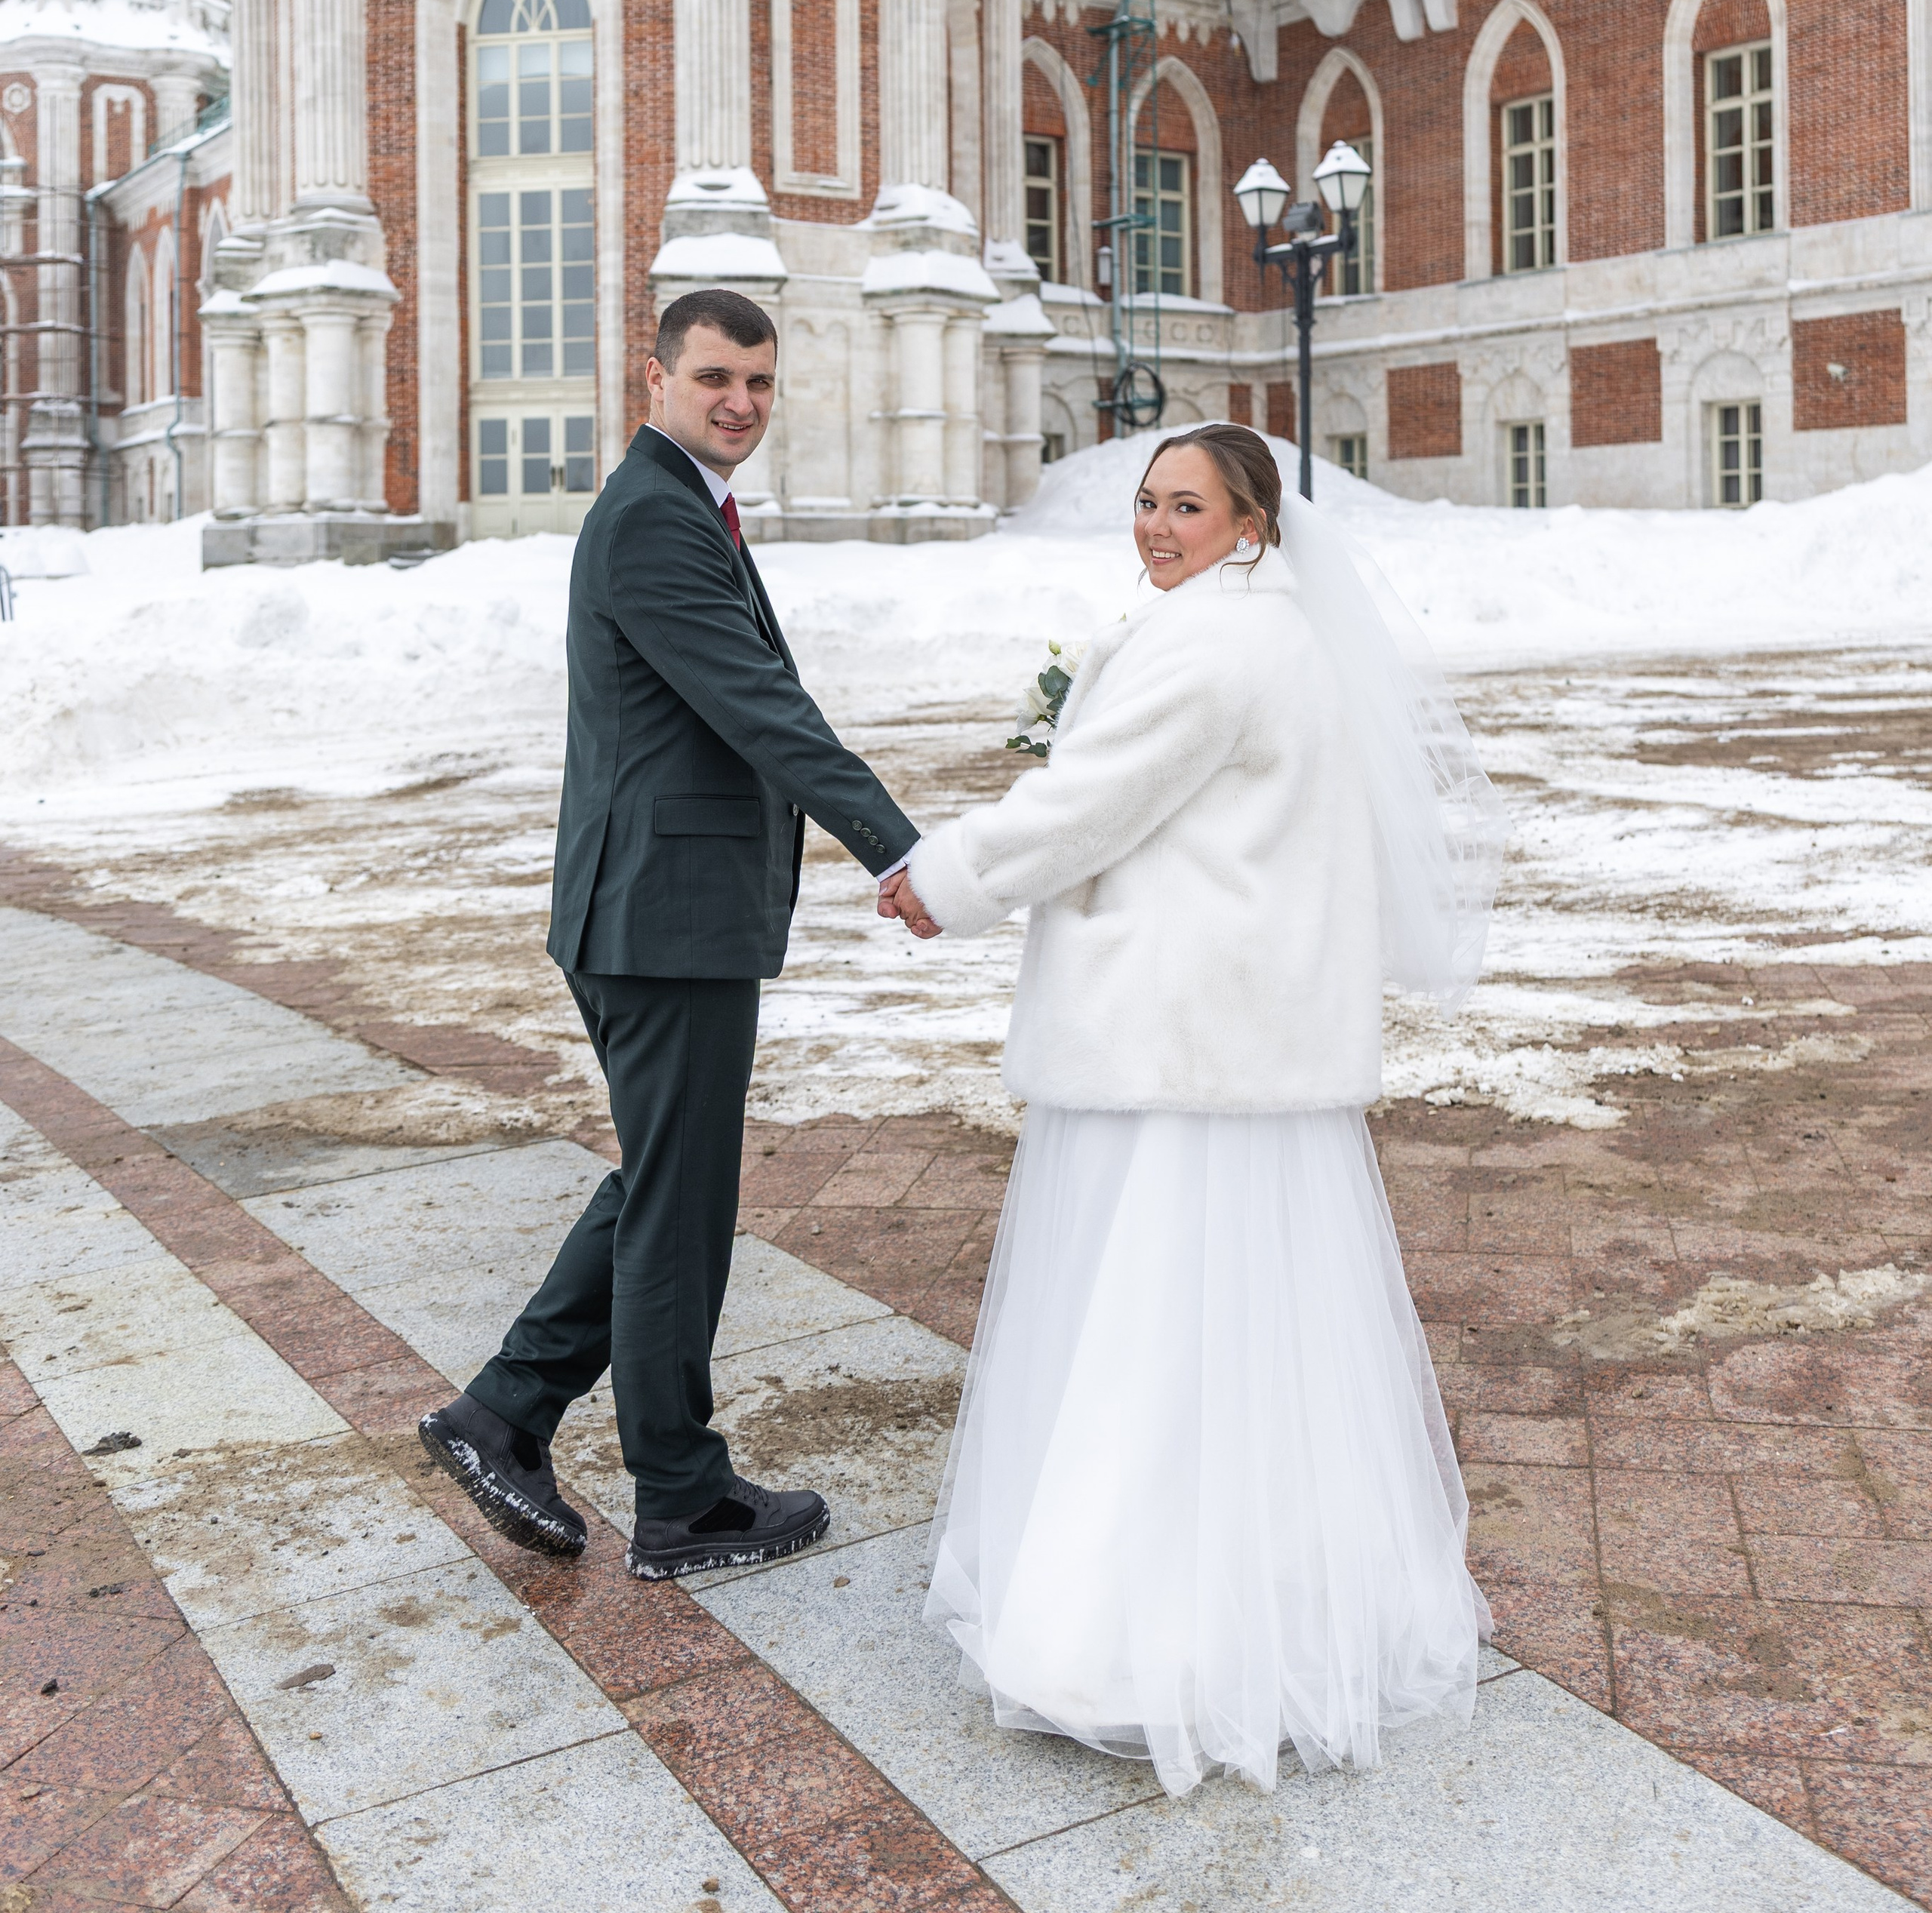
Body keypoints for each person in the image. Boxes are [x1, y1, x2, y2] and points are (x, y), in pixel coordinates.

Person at [885, 423, 1505, 1798]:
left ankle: (1141, 1632)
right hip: (1239, 1039)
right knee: (1253, 1330)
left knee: (1156, 1320)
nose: (1156, 526)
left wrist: (951, 875)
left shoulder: (1212, 645)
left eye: (1187, 505)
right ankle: (1285, 1596)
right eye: (1146, 501)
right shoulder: (1266, 634)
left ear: (1255, 522)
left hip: (1179, 1039)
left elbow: (1091, 802)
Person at [420, 287, 924, 1580]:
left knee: (665, 1188)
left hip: (659, 912)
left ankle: (506, 1414)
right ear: (655, 378)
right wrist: (897, 844)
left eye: (759, 381)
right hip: (663, 919)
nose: (741, 402)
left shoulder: (678, 504)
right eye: (715, 378)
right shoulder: (653, 516)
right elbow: (762, 704)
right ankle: (680, 1496)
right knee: (677, 1207)